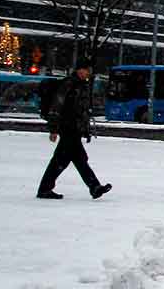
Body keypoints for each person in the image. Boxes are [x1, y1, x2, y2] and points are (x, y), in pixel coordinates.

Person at [36, 55, 112, 200]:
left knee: (68, 159)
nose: (88, 73)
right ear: (79, 70)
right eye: (86, 70)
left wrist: (85, 130)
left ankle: (93, 187)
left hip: (73, 129)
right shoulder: (68, 84)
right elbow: (56, 107)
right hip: (67, 128)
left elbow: (81, 111)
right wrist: (53, 129)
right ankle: (93, 186)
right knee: (72, 159)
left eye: (89, 70)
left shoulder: (81, 85)